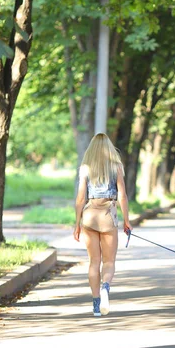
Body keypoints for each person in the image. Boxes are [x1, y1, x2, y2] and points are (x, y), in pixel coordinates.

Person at [74, 133, 133, 317]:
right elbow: (122, 195)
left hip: (89, 215)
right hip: (108, 215)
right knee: (108, 262)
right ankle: (105, 288)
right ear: (109, 148)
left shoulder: (85, 168)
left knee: (94, 262)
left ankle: (96, 305)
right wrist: (127, 221)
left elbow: (81, 198)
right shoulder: (116, 166)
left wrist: (77, 224)